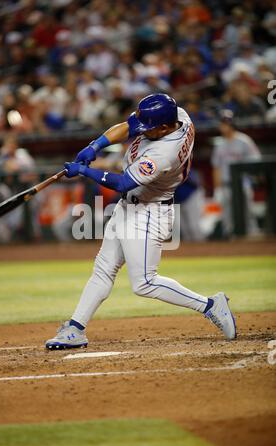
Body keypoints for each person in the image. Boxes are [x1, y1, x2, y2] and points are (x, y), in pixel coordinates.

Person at [46, 93, 236, 350]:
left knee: (144, 282)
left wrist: (84, 171)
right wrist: (95, 145)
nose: (142, 131)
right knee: (103, 270)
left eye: (150, 128)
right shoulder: (178, 115)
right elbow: (127, 126)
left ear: (166, 128)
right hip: (129, 207)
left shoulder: (165, 153)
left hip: (149, 212)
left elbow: (123, 182)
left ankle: (211, 306)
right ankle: (75, 329)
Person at [212, 110, 262, 237]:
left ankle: (253, 235)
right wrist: (217, 187)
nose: (224, 126)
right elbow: (216, 167)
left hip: (242, 183)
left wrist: (253, 179)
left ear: (232, 124)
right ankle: (231, 239)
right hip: (226, 184)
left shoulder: (244, 140)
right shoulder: (219, 144)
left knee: (247, 211)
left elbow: (255, 161)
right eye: (222, 123)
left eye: (227, 123)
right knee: (227, 215)